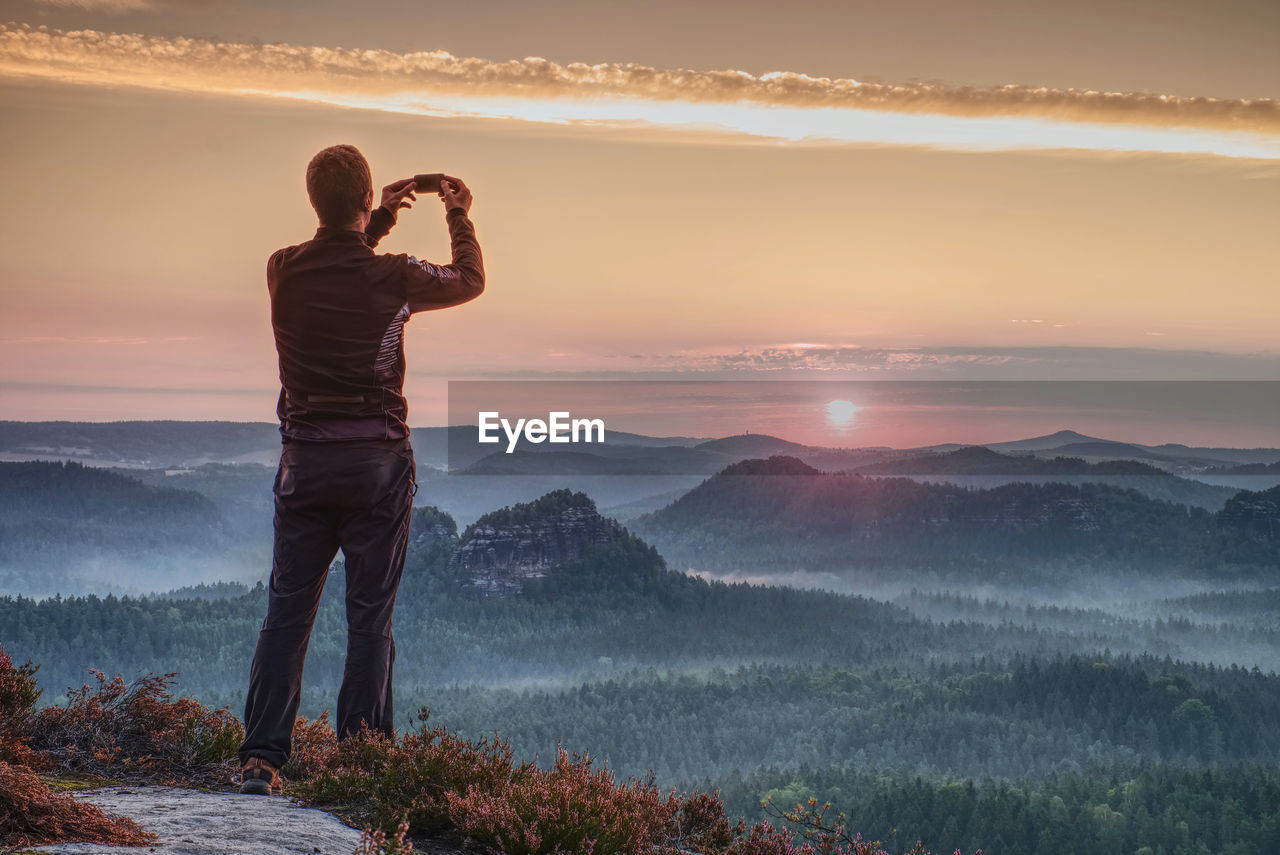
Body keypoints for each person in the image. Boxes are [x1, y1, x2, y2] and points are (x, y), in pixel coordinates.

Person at [237, 144, 484, 795]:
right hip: (376, 470)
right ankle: (362, 761)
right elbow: (468, 279)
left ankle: (261, 755)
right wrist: (458, 213)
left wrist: (373, 226)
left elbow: (338, 258)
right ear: (367, 199)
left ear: (313, 199)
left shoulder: (281, 271)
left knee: (286, 614)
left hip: (305, 471)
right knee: (369, 617)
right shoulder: (394, 277)